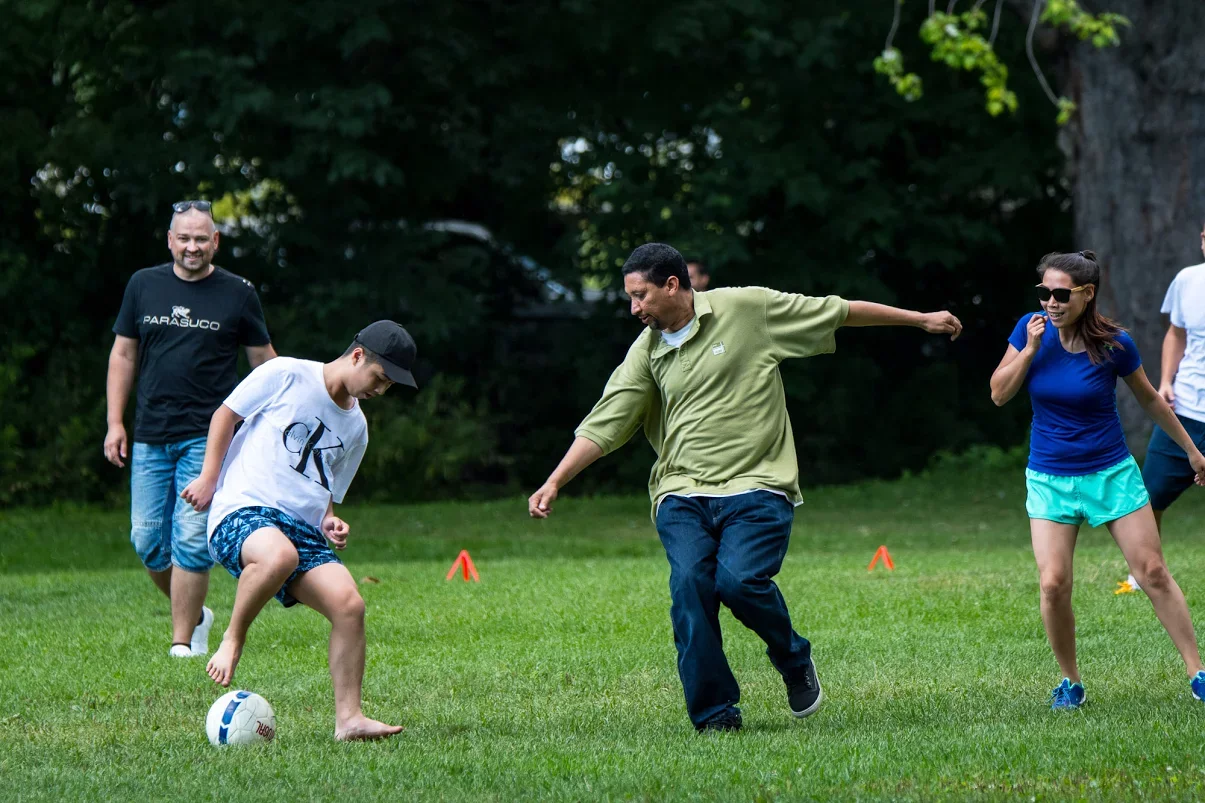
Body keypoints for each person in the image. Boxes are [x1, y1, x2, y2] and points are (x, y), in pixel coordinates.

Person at [527, 243, 962, 732]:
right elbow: (605, 422)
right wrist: (555, 480)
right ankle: (715, 714)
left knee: (738, 582)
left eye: (640, 296)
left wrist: (919, 319)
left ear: (673, 284)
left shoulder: (748, 310)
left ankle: (792, 657)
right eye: (630, 299)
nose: (635, 309)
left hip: (758, 485)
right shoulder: (646, 350)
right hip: (681, 492)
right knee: (691, 587)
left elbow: (837, 311)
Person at [180, 321, 416, 741]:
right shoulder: (285, 373)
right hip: (244, 508)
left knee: (349, 606)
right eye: (380, 379)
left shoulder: (357, 429)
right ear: (358, 356)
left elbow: (325, 488)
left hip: (301, 530)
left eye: (388, 386)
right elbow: (225, 415)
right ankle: (233, 639)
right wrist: (208, 478)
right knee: (279, 555)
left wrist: (329, 521)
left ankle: (349, 718)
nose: (380, 391)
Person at [989, 250, 1205, 710]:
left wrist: (1191, 450)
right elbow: (998, 394)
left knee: (1152, 573)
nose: (1050, 301)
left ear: (1087, 295)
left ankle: (1197, 672)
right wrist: (1028, 350)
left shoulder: (1114, 344)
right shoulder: (1030, 331)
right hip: (1050, 478)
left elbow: (1149, 400)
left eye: (1060, 293)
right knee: (1052, 583)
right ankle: (1071, 683)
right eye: (1043, 292)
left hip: (1111, 474)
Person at [105, 200, 276, 658]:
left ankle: (183, 641)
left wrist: (270, 422)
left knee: (190, 537)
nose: (192, 246)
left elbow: (264, 364)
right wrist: (114, 422)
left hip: (208, 436)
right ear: (170, 240)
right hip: (150, 435)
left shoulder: (238, 293)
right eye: (184, 238)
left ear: (215, 241)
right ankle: (197, 613)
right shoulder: (144, 285)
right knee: (146, 539)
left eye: (202, 238)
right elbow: (123, 355)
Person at [1124, 226, 1205, 592]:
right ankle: (1145, 571)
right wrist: (1167, 381)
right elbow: (1176, 333)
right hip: (1186, 408)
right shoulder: (1187, 280)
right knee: (1149, 494)